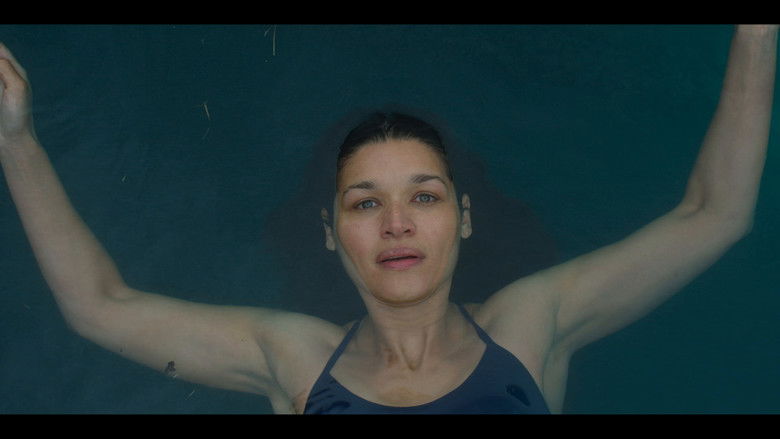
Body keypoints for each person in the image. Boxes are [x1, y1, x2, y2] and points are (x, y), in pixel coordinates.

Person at [0, 25, 776, 414]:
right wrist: (16, 138)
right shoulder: (295, 361)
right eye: (366, 202)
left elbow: (714, 212)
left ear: (463, 217)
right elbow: (99, 304)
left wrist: (756, 31)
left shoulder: (530, 327)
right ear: (331, 231)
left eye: (423, 196)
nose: (396, 223)